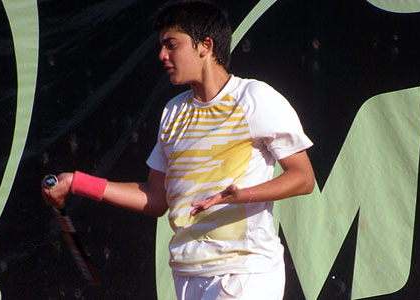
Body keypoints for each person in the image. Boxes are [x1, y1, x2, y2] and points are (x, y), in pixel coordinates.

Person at [41, 1, 315, 299]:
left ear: (205, 46)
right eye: (161, 46)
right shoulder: (173, 112)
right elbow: (156, 198)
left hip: (245, 273)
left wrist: (243, 195)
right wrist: (78, 182)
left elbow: (303, 178)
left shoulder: (255, 98)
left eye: (172, 45)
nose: (162, 55)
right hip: (188, 274)